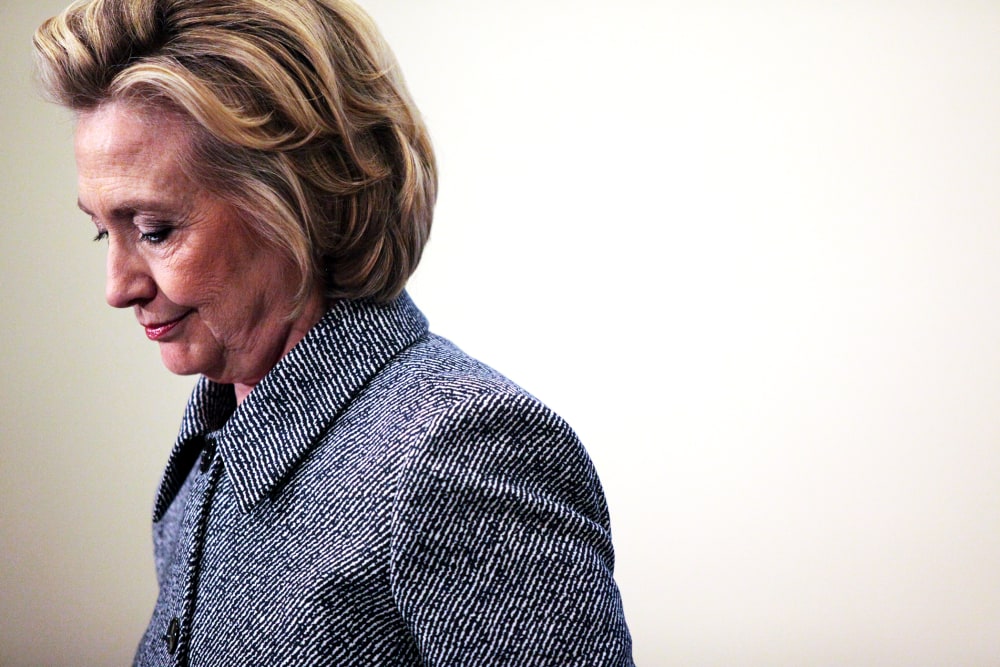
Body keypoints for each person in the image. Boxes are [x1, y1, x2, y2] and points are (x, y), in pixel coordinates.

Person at [34, 0, 634, 664]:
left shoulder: (461, 451)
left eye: (154, 230)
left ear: (299, 199)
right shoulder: (212, 448)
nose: (117, 287)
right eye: (103, 232)